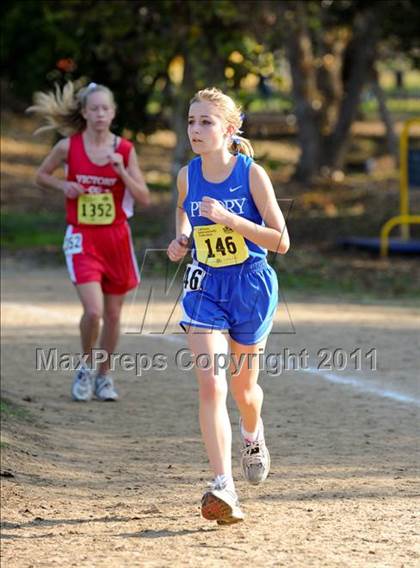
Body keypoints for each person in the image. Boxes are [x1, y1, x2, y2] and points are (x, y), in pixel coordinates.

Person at [167, 87, 290, 524]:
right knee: (212, 385)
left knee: (244, 392)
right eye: (191, 120)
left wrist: (231, 220)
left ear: (229, 130)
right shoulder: (188, 173)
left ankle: (253, 435)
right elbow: (185, 210)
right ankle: (223, 486)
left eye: (206, 122)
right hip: (205, 288)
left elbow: (282, 240)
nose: (195, 129)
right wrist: (182, 238)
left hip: (250, 287)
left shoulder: (252, 175)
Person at [30, 81, 150, 402]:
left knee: (113, 316)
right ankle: (85, 366)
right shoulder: (69, 147)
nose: (99, 114)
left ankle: (104, 375)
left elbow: (145, 197)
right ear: (84, 113)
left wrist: (122, 173)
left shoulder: (124, 150)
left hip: (116, 239)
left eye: (105, 109)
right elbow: (41, 175)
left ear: (113, 113)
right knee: (94, 311)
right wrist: (63, 187)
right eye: (93, 108)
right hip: (83, 237)